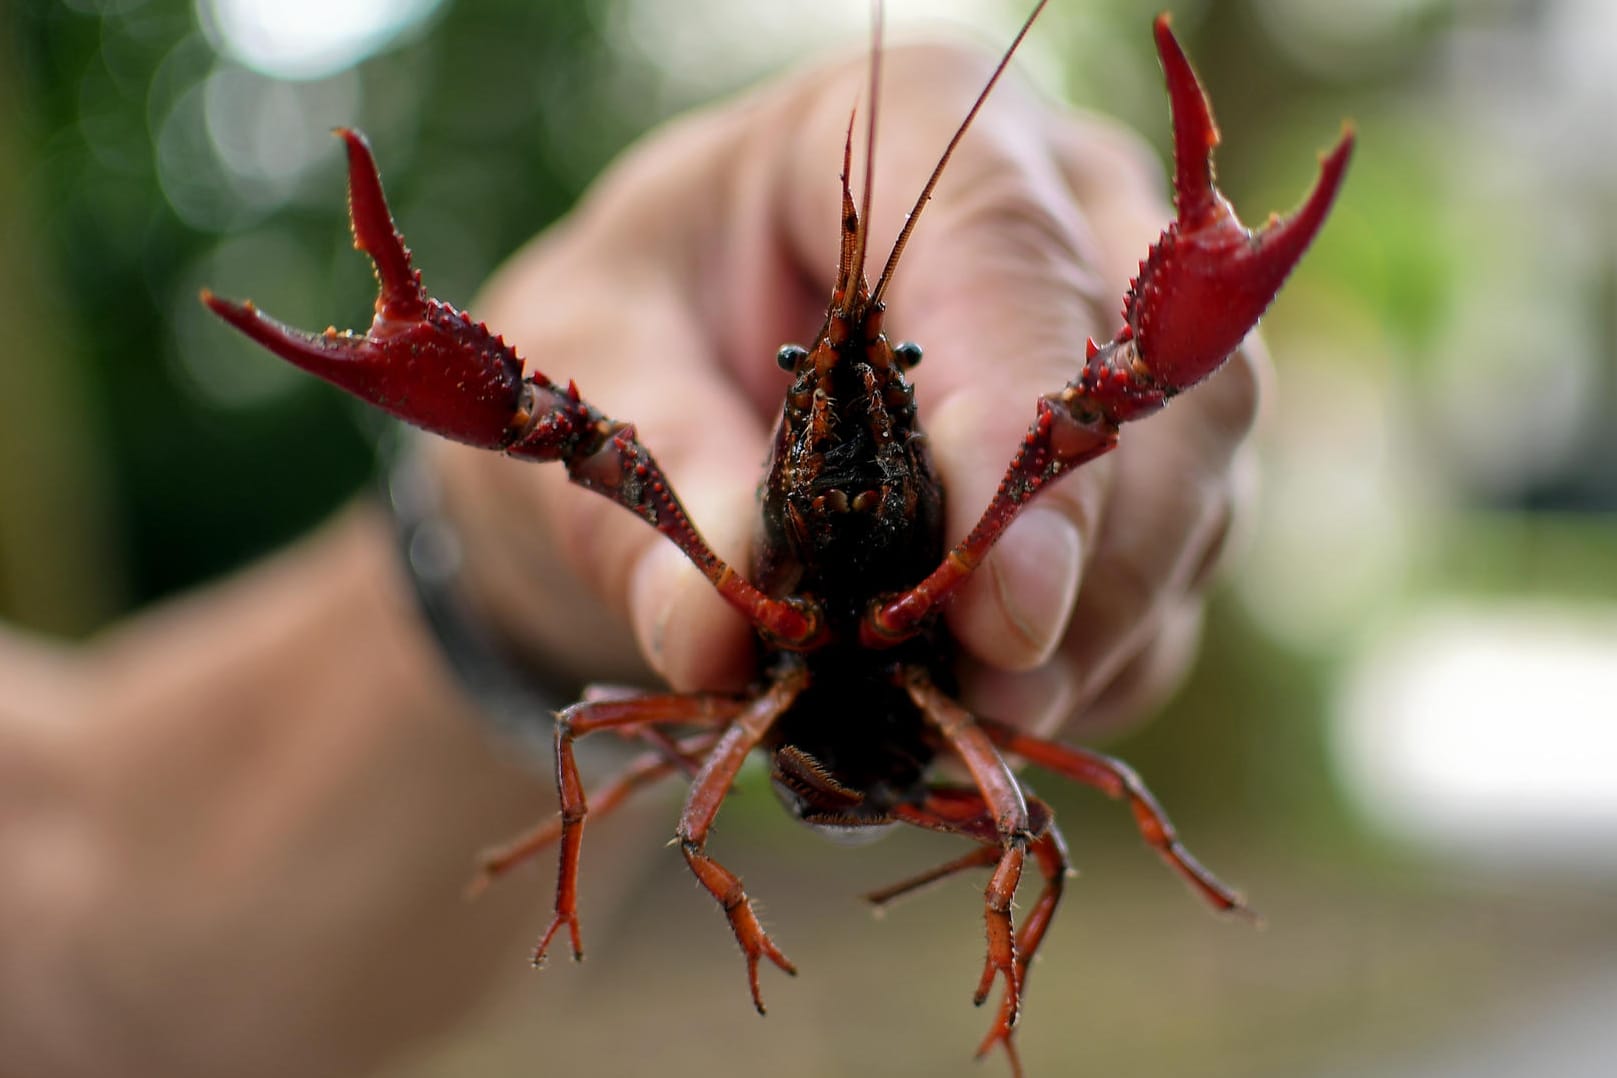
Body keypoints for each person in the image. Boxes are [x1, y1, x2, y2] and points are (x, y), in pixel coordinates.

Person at [0, 41, 1259, 1078]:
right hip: (802, 708)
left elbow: (72, 887)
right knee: (992, 810)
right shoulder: (722, 524)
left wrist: (495, 591)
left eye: (887, 381)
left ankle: (1005, 992)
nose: (832, 400)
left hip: (913, 700)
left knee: (1041, 823)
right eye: (802, 385)